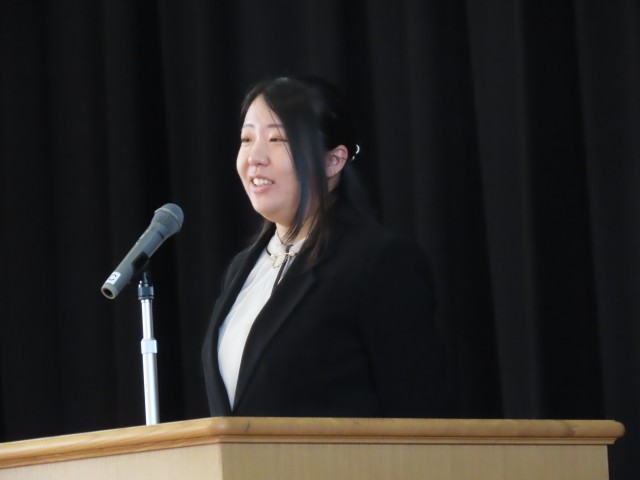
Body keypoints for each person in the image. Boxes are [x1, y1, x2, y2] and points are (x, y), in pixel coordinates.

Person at [202, 76, 450, 418]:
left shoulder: (379, 261)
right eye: (247, 139)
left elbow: (418, 408)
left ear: (333, 161)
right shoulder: (241, 269)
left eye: (277, 139)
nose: (254, 157)